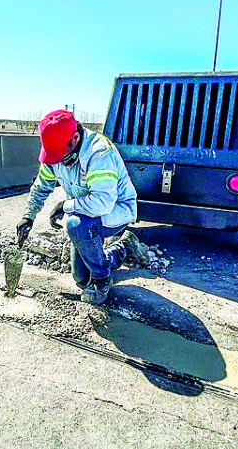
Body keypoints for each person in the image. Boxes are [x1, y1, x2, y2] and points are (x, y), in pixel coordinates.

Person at [17, 109, 145, 304]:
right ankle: (122, 248)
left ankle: (102, 280)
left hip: (115, 210)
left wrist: (65, 205)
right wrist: (28, 216)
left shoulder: (99, 154)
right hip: (87, 212)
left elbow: (102, 203)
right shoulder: (56, 152)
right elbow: (41, 186)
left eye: (61, 155)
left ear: (75, 138)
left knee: (76, 225)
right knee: (81, 277)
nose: (58, 161)